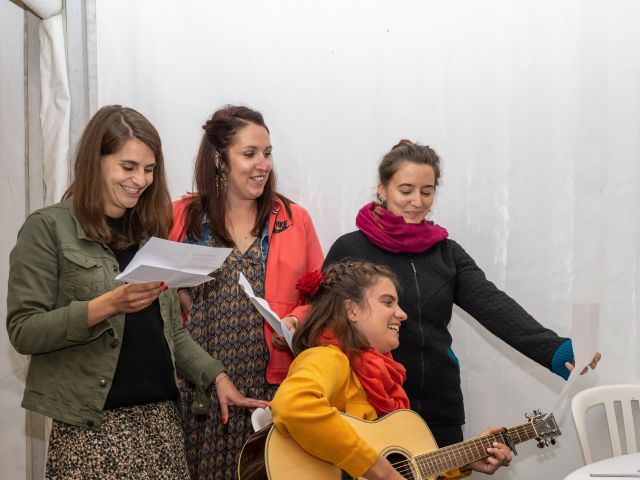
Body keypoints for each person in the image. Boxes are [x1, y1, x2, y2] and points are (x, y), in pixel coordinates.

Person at [6, 105, 267, 479]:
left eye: (149, 169)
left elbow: (172, 333)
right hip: (92, 432)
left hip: (161, 427)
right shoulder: (48, 229)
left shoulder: (147, 234)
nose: (140, 180)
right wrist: (105, 305)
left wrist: (216, 377)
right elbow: (24, 330)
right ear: (95, 161)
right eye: (128, 167)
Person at [323, 140, 602, 447]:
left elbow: (493, 305)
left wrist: (555, 350)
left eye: (426, 191)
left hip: (440, 413)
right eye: (406, 190)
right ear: (382, 189)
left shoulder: (446, 253)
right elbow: (320, 323)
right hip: (369, 410)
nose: (417, 200)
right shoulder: (349, 249)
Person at [168, 105, 324, 479]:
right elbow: (150, 290)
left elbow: (322, 297)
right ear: (219, 160)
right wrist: (174, 295)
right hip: (197, 391)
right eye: (250, 154)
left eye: (267, 154)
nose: (263, 164)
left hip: (269, 391)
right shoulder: (181, 217)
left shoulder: (292, 218)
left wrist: (296, 320)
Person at [270, 260, 512, 479]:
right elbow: (293, 406)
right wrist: (380, 471)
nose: (402, 314)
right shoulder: (328, 357)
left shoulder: (385, 377)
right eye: (388, 302)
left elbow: (407, 465)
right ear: (352, 310)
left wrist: (465, 461)